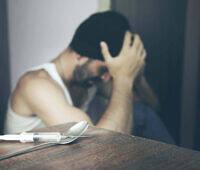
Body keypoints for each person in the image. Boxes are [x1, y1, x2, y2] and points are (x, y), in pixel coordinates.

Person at [4, 11, 174, 144]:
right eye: (103, 69)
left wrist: (135, 73)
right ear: (80, 55)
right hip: (31, 163)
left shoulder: (90, 79)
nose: (108, 78)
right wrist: (123, 78)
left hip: (65, 159)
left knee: (140, 112)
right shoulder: (36, 84)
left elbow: (151, 107)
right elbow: (98, 147)